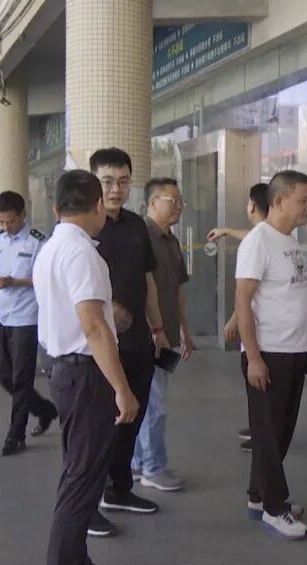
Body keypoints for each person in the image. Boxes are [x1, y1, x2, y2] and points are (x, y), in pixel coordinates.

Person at [33, 169, 138, 565]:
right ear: (97, 206)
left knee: (82, 473)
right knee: (81, 480)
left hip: (67, 372)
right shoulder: (82, 254)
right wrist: (122, 388)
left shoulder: (51, 248)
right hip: (86, 376)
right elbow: (94, 328)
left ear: (56, 208)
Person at [89, 148, 169, 537]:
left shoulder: (137, 225)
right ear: (94, 182)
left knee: (131, 419)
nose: (116, 190)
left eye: (123, 181)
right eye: (107, 181)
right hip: (100, 345)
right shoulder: (86, 228)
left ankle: (119, 489)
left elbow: (147, 280)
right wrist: (109, 309)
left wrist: (158, 328)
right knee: (99, 426)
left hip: (138, 341)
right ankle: (88, 503)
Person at [235, 171, 307, 539]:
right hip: (268, 353)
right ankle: (274, 507)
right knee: (268, 434)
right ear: (279, 201)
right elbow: (243, 301)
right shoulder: (258, 242)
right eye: (302, 201)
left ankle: (258, 496)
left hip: (295, 349)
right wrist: (253, 358)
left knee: (280, 432)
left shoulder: (292, 242)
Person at [0, 191, 58, 456]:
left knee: (21, 378)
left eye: (10, 221)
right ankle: (44, 409)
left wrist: (14, 282)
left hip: (27, 317)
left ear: (23, 215)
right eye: (1, 221)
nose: (5, 226)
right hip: (2, 314)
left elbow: (43, 279)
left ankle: (16, 435)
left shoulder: (38, 242)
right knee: (2, 374)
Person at [130, 177, 195, 492]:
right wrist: (155, 330)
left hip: (167, 335)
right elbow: (139, 290)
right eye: (173, 201)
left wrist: (184, 330)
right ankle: (153, 468)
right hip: (149, 337)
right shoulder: (140, 238)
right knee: (154, 405)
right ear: (152, 202)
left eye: (180, 201)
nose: (179, 206)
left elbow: (178, 290)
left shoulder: (171, 240)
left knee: (150, 401)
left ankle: (136, 463)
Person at [207, 182, 269, 453]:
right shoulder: (266, 236)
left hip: (263, 334)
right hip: (263, 331)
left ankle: (262, 434)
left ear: (252, 206)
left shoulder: (261, 240)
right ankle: (259, 428)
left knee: (259, 385)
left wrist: (234, 318)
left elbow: (246, 295)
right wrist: (226, 231)